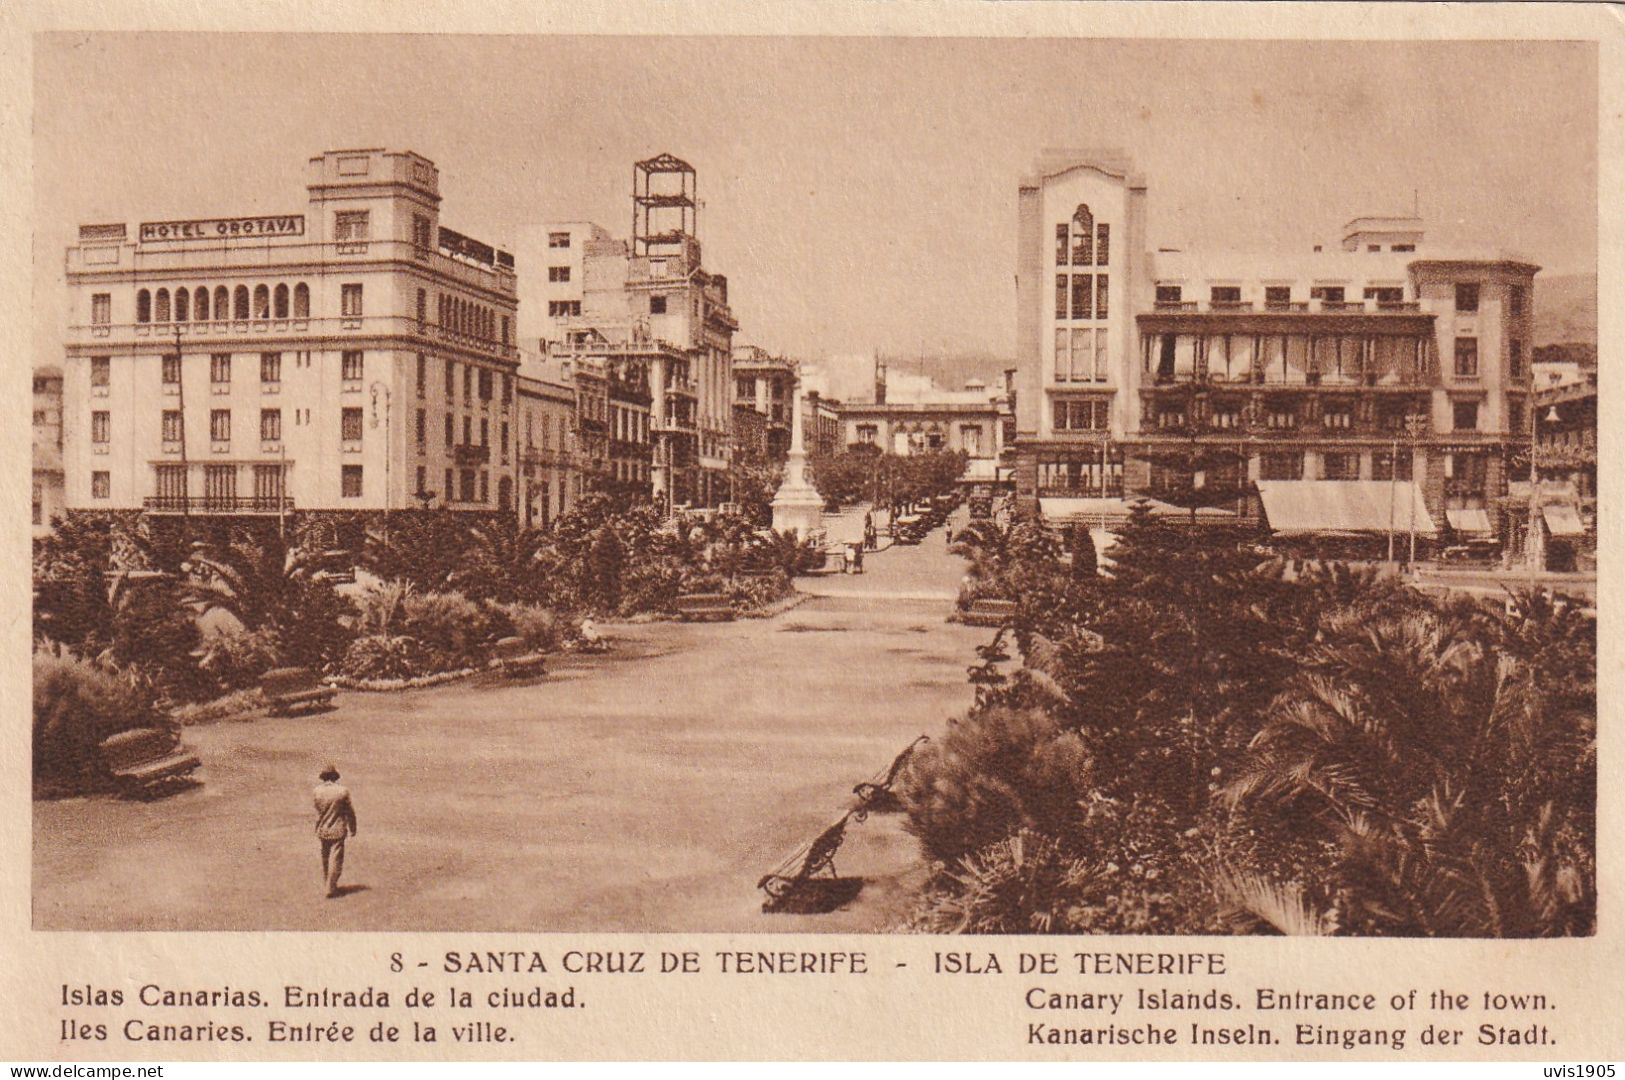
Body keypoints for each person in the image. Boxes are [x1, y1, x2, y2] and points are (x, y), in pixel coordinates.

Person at [313, 765, 358, 899]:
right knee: (336, 859)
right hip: (338, 829)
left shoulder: (317, 791)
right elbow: (349, 811)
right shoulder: (342, 791)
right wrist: (353, 827)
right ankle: (331, 887)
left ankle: (328, 883)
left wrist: (316, 827)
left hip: (323, 829)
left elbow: (318, 811)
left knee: (325, 857)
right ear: (334, 776)